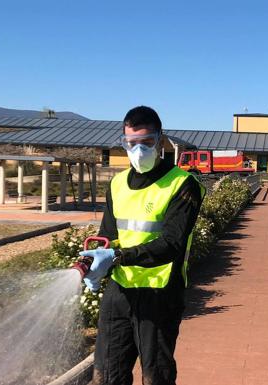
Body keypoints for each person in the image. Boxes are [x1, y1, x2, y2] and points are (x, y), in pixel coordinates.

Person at [80, 106, 205, 385]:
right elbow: (108, 235)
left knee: (155, 375)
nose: (138, 150)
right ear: (123, 142)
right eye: (131, 143)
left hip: (159, 293)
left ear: (160, 141)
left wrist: (117, 255)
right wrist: (94, 259)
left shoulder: (183, 184)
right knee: (107, 374)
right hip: (120, 291)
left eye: (146, 142)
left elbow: (172, 243)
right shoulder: (117, 184)